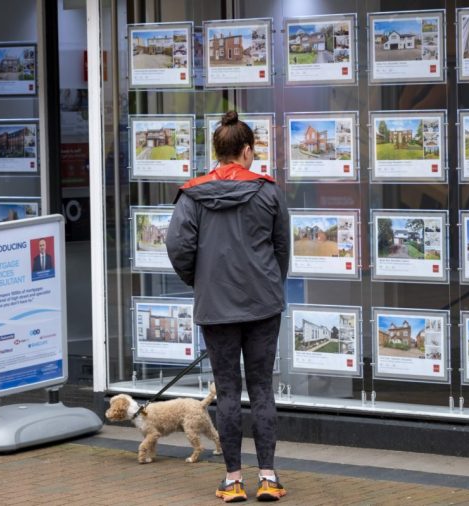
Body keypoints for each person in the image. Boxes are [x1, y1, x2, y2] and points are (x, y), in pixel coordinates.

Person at [166, 110, 289, 502]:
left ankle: (233, 480)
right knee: (263, 389)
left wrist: (199, 281)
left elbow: (177, 247)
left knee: (229, 392)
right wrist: (270, 283)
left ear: (217, 151)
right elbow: (282, 248)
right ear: (247, 151)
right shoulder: (268, 191)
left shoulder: (192, 194)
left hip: (216, 306)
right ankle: (268, 477)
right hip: (262, 305)